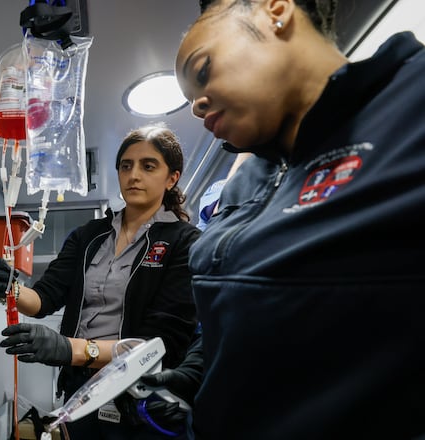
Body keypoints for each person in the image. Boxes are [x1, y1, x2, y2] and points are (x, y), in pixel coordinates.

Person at [143, 0, 425, 439]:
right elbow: (236, 311)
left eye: (202, 71)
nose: (197, 107)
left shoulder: (410, 104)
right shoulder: (245, 182)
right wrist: (198, 372)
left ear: (275, 10)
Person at [0, 124, 202, 439]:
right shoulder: (89, 235)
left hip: (140, 399)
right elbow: (45, 298)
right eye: (126, 166)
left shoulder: (185, 242)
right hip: (80, 391)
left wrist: (71, 349)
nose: (134, 175)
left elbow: (162, 342)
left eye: (148, 165)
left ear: (172, 178)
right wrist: (10, 288)